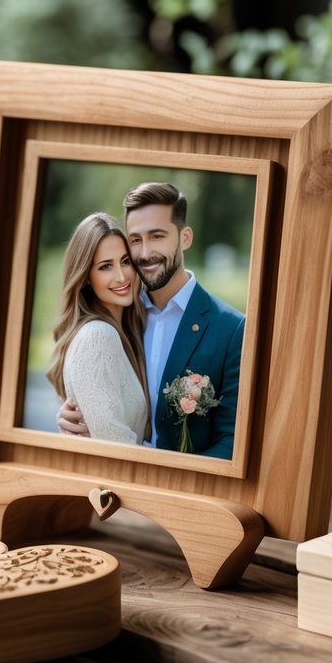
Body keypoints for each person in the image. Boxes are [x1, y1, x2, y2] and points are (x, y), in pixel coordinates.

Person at [59, 183, 244, 458]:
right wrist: (78, 414)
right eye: (135, 240)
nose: (145, 253)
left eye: (157, 236)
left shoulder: (231, 328)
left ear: (185, 238)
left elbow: (232, 442)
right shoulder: (125, 314)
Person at [45, 213, 151, 444]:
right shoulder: (98, 337)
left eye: (125, 262)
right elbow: (116, 447)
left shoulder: (128, 331)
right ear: (85, 278)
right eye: (105, 267)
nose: (122, 276)